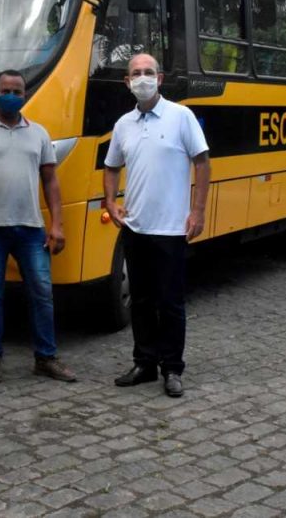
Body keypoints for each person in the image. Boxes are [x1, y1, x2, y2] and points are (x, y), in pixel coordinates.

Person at [0, 69, 77, 384]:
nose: (12, 95)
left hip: (30, 229)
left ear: (24, 96)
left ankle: (45, 358)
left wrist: (57, 225)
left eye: (17, 91)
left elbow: (51, 181)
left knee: (42, 293)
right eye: (6, 90)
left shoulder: (38, 133)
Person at [102, 53, 210, 398]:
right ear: (127, 82)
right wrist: (109, 201)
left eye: (149, 72)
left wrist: (198, 211)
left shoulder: (181, 117)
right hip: (135, 229)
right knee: (143, 301)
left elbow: (203, 163)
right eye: (136, 73)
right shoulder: (123, 124)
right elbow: (111, 167)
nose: (143, 78)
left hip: (171, 230)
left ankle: (172, 368)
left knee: (171, 302)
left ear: (160, 79)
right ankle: (144, 363)